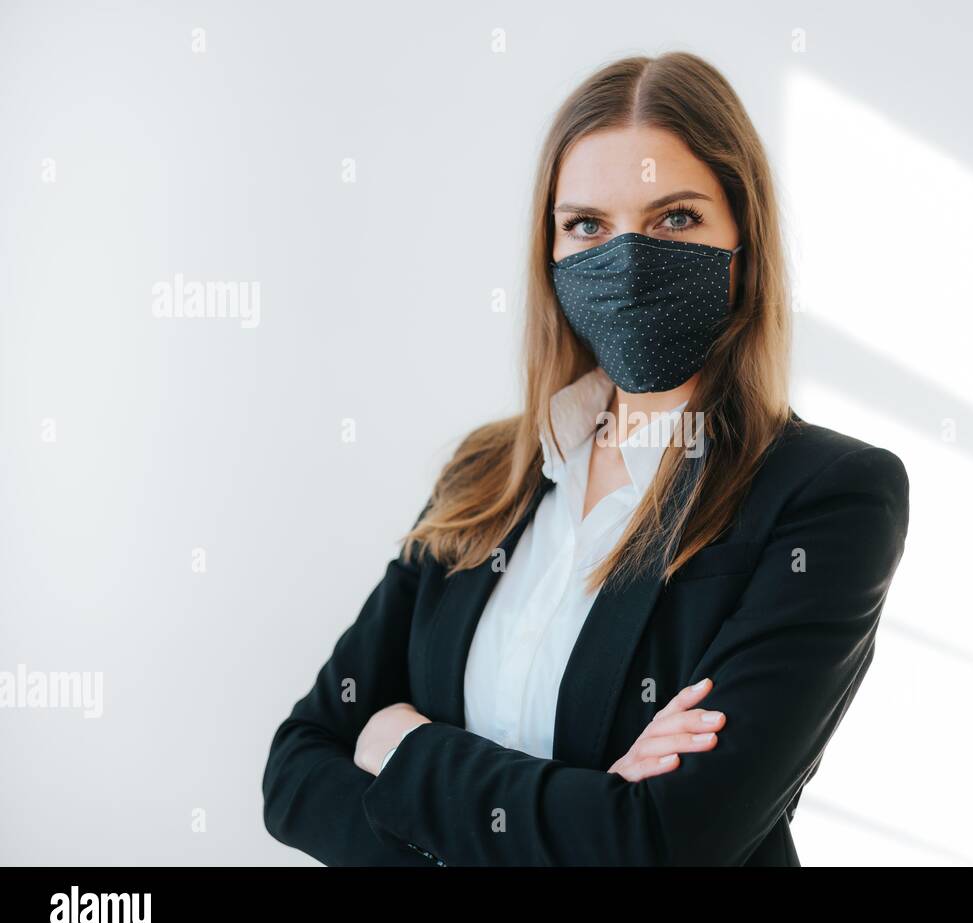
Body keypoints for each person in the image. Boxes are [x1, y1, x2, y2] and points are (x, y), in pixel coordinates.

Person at [262, 50, 910, 866]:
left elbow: (660, 844)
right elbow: (295, 771)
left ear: (744, 237)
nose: (628, 262)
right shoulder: (485, 472)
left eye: (675, 218)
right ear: (553, 251)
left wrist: (403, 747)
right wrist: (588, 806)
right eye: (588, 226)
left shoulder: (829, 497)